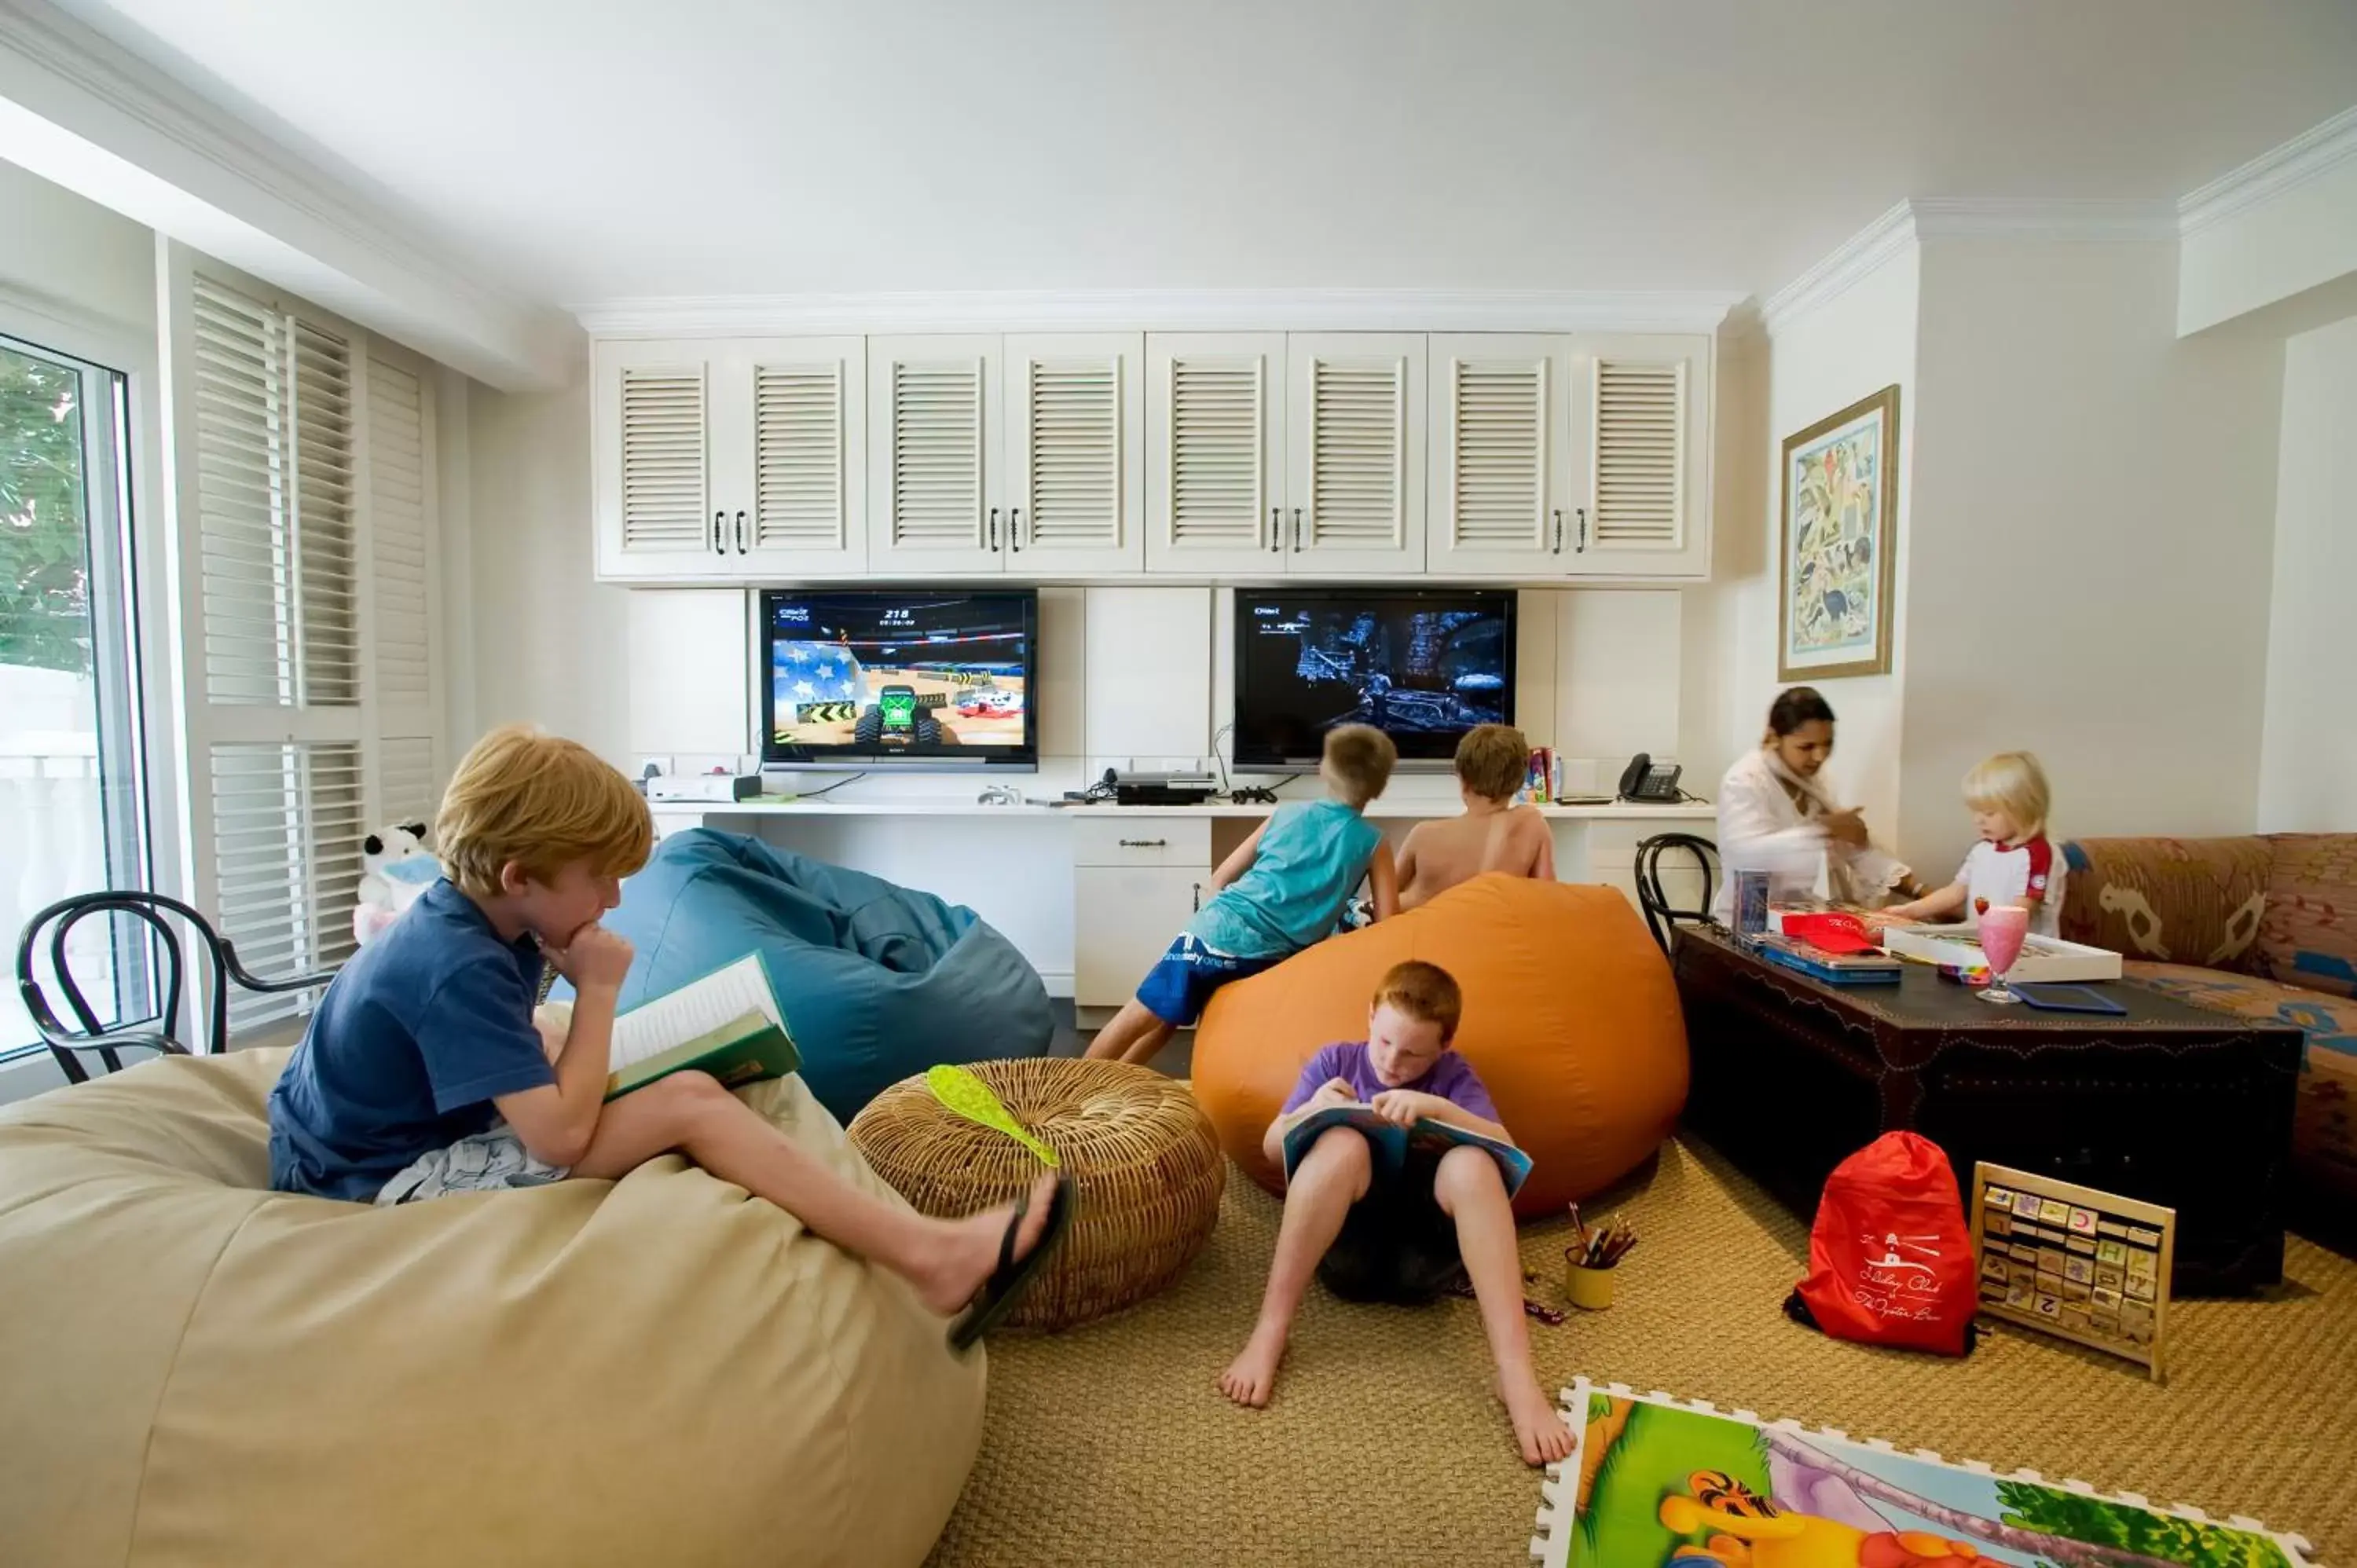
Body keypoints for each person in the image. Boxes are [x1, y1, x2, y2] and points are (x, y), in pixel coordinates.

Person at [267, 724, 1065, 1350]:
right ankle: (931, 1257)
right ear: (520, 876)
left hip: (367, 1134)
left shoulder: (486, 922)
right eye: (599, 878)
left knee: (664, 1075)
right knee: (689, 1102)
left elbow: (506, 1050)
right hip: (372, 1179)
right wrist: (601, 990)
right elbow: (560, 1136)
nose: (615, 899)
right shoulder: (456, 962)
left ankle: (923, 1246)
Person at [1215, 961, 1574, 1467]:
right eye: (1384, 1042)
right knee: (1341, 1143)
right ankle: (1270, 1331)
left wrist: (1438, 1109)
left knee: (1473, 1163)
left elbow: (1510, 1151)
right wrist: (1311, 1108)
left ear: (1444, 1046)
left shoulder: (1454, 1076)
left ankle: (1515, 1374)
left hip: (1424, 1263)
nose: (1391, 1061)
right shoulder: (1335, 1060)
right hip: (1348, 1252)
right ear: (1369, 1017)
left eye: (1412, 1054)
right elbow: (1273, 1150)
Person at [1083, 724, 1398, 1067]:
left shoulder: (1285, 814)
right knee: (1169, 1018)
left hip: (1213, 933)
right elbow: (1388, 924)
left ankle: (1075, 1087)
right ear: (1380, 787)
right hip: (1267, 961)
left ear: (1324, 769)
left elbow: (1220, 877)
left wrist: (1215, 924)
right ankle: (1112, 1081)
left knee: (1143, 1015)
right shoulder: (1374, 842)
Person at [1712, 686, 1915, 921]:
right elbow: (1745, 855)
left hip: (1799, 915)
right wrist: (1822, 829)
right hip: (1746, 918)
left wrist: (1921, 891)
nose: (1819, 756)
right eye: (1806, 747)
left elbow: (1854, 850)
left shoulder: (1818, 779)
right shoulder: (1744, 779)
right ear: (1775, 738)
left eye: (1827, 744)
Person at [1881, 751, 2066, 936]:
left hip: (2027, 952)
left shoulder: (2038, 854)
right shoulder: (1983, 850)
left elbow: (2021, 910)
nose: (1979, 820)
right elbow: (1954, 893)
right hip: (1983, 942)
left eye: (1989, 813)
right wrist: (1910, 911)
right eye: (1975, 811)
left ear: (2023, 810)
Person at [1395, 723, 1555, 910]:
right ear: (1519, 782)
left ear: (1463, 781)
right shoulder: (1532, 824)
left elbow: (1381, 903)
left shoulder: (1423, 834)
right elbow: (1547, 898)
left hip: (1431, 931)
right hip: (1493, 930)